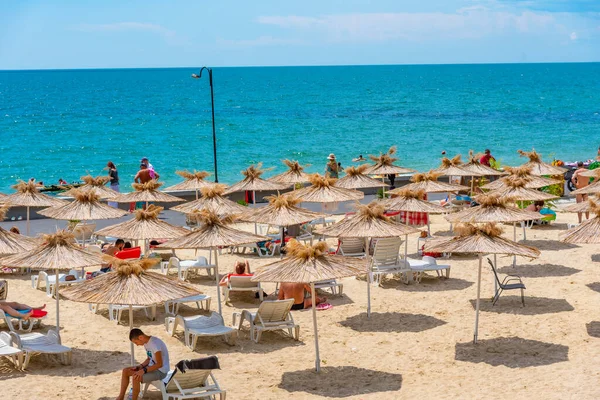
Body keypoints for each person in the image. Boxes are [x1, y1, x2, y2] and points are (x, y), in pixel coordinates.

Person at [116, 329, 170, 400]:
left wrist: (144, 370)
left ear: (141, 337)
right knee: (125, 371)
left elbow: (159, 364)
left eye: (136, 342)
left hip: (161, 371)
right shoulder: (146, 343)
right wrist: (139, 367)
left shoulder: (155, 344)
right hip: (151, 368)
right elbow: (149, 359)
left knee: (136, 376)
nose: (137, 345)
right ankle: (121, 397)